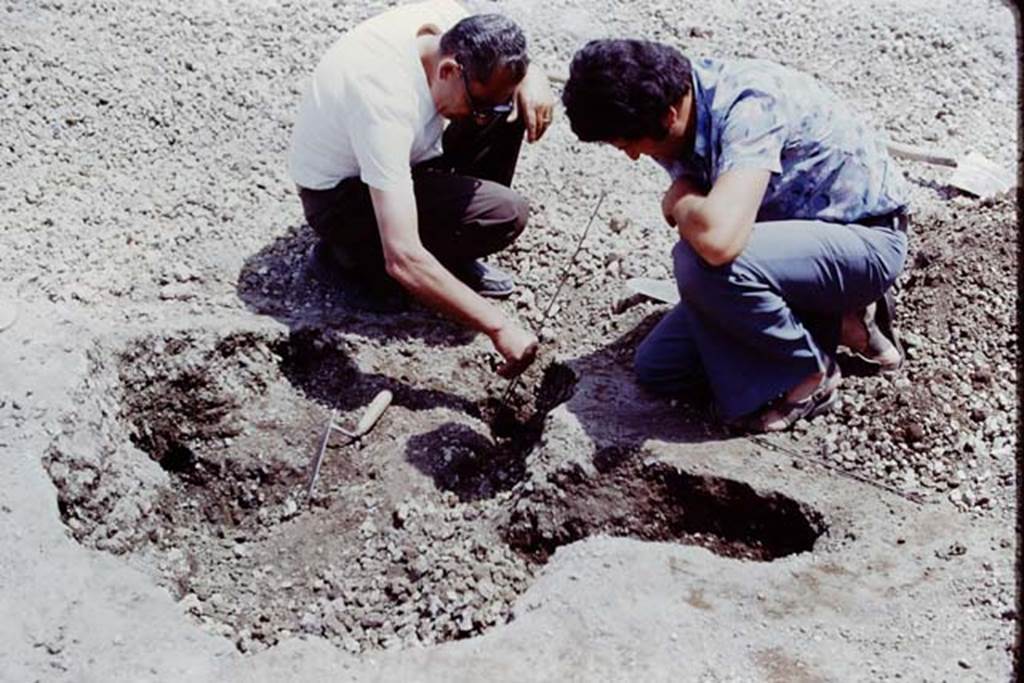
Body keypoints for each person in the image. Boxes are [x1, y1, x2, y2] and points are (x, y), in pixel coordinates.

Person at [562, 39, 909, 431]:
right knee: (660, 367)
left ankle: (812, 374)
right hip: (789, 249)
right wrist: (693, 204)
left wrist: (680, 198)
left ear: (669, 115)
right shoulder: (675, 106)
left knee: (696, 260)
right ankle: (839, 322)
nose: (632, 156)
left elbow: (719, 240)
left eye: (629, 145)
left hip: (864, 240)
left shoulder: (748, 105)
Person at [289, 0, 555, 378]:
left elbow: (506, 65)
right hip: (339, 199)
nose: (480, 118)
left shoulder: (448, 27)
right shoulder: (383, 100)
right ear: (448, 69)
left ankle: (448, 256)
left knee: (507, 104)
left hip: (397, 160)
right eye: (475, 106)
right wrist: (499, 327)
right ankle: (345, 258)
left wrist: (534, 79)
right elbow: (404, 257)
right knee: (505, 214)